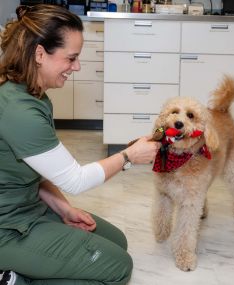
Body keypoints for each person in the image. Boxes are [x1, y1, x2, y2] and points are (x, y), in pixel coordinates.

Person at [0, 5, 160, 285]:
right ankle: (13, 280)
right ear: (40, 54)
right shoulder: (19, 111)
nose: (77, 66)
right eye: (71, 58)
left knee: (116, 242)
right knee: (118, 268)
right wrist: (129, 156)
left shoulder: (33, 95)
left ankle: (24, 269)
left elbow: (36, 172)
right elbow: (75, 179)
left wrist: (63, 209)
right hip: (7, 229)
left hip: (27, 209)